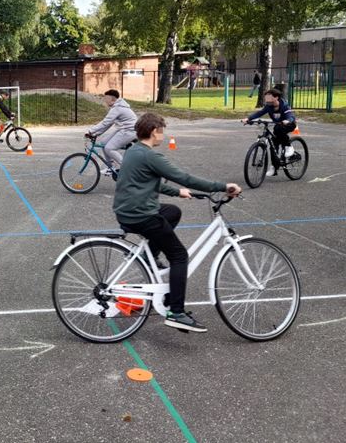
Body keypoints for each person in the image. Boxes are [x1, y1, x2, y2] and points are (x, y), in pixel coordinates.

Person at [114, 113, 242, 333]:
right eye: (162, 130)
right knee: (179, 256)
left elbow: (149, 182)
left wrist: (177, 193)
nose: (163, 135)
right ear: (155, 131)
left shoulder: (133, 151)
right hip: (141, 215)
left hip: (128, 211)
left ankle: (148, 255)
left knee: (172, 212)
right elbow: (185, 177)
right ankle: (176, 313)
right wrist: (222, 186)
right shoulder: (151, 156)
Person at [241, 88, 297, 176]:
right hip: (278, 125)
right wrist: (248, 119)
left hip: (289, 124)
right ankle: (275, 167)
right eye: (266, 99)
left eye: (269, 98)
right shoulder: (268, 106)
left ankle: (289, 147)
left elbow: (290, 116)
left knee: (279, 129)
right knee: (273, 145)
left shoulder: (284, 105)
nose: (267, 101)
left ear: (276, 97)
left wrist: (287, 120)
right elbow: (259, 113)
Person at [85, 89, 137, 175]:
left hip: (129, 131)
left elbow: (105, 122)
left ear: (113, 99)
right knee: (103, 143)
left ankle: (127, 168)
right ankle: (110, 167)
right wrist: (96, 134)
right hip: (124, 130)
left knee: (109, 148)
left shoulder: (117, 108)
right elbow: (108, 124)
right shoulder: (117, 106)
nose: (105, 101)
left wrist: (90, 131)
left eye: (106, 99)